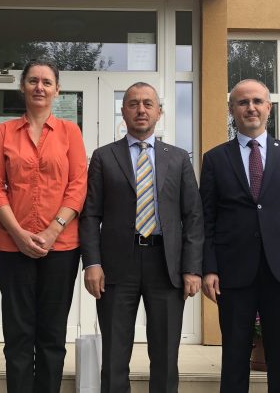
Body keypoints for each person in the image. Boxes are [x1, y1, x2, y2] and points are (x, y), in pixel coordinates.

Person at [80, 82, 203, 393]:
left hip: (167, 265)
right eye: (133, 104)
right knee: (114, 354)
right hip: (117, 266)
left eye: (148, 103)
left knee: (165, 355)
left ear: (159, 112)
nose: (141, 110)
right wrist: (92, 263)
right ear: (123, 112)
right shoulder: (104, 157)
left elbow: (193, 216)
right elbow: (90, 215)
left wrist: (192, 267)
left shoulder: (178, 158)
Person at [200, 79, 280, 393]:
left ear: (268, 107)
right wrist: (209, 268)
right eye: (242, 102)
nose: (250, 108)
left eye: (256, 101)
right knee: (234, 354)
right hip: (233, 270)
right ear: (232, 110)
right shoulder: (215, 159)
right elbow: (206, 219)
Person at [0, 60, 88, 393]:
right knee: (18, 333)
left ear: (57, 90)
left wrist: (52, 231)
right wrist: (18, 233)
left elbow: (78, 185)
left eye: (46, 82)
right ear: (22, 87)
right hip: (11, 246)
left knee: (52, 334)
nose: (39, 87)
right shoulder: (3, 132)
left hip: (61, 248)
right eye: (33, 81)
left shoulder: (70, 132)